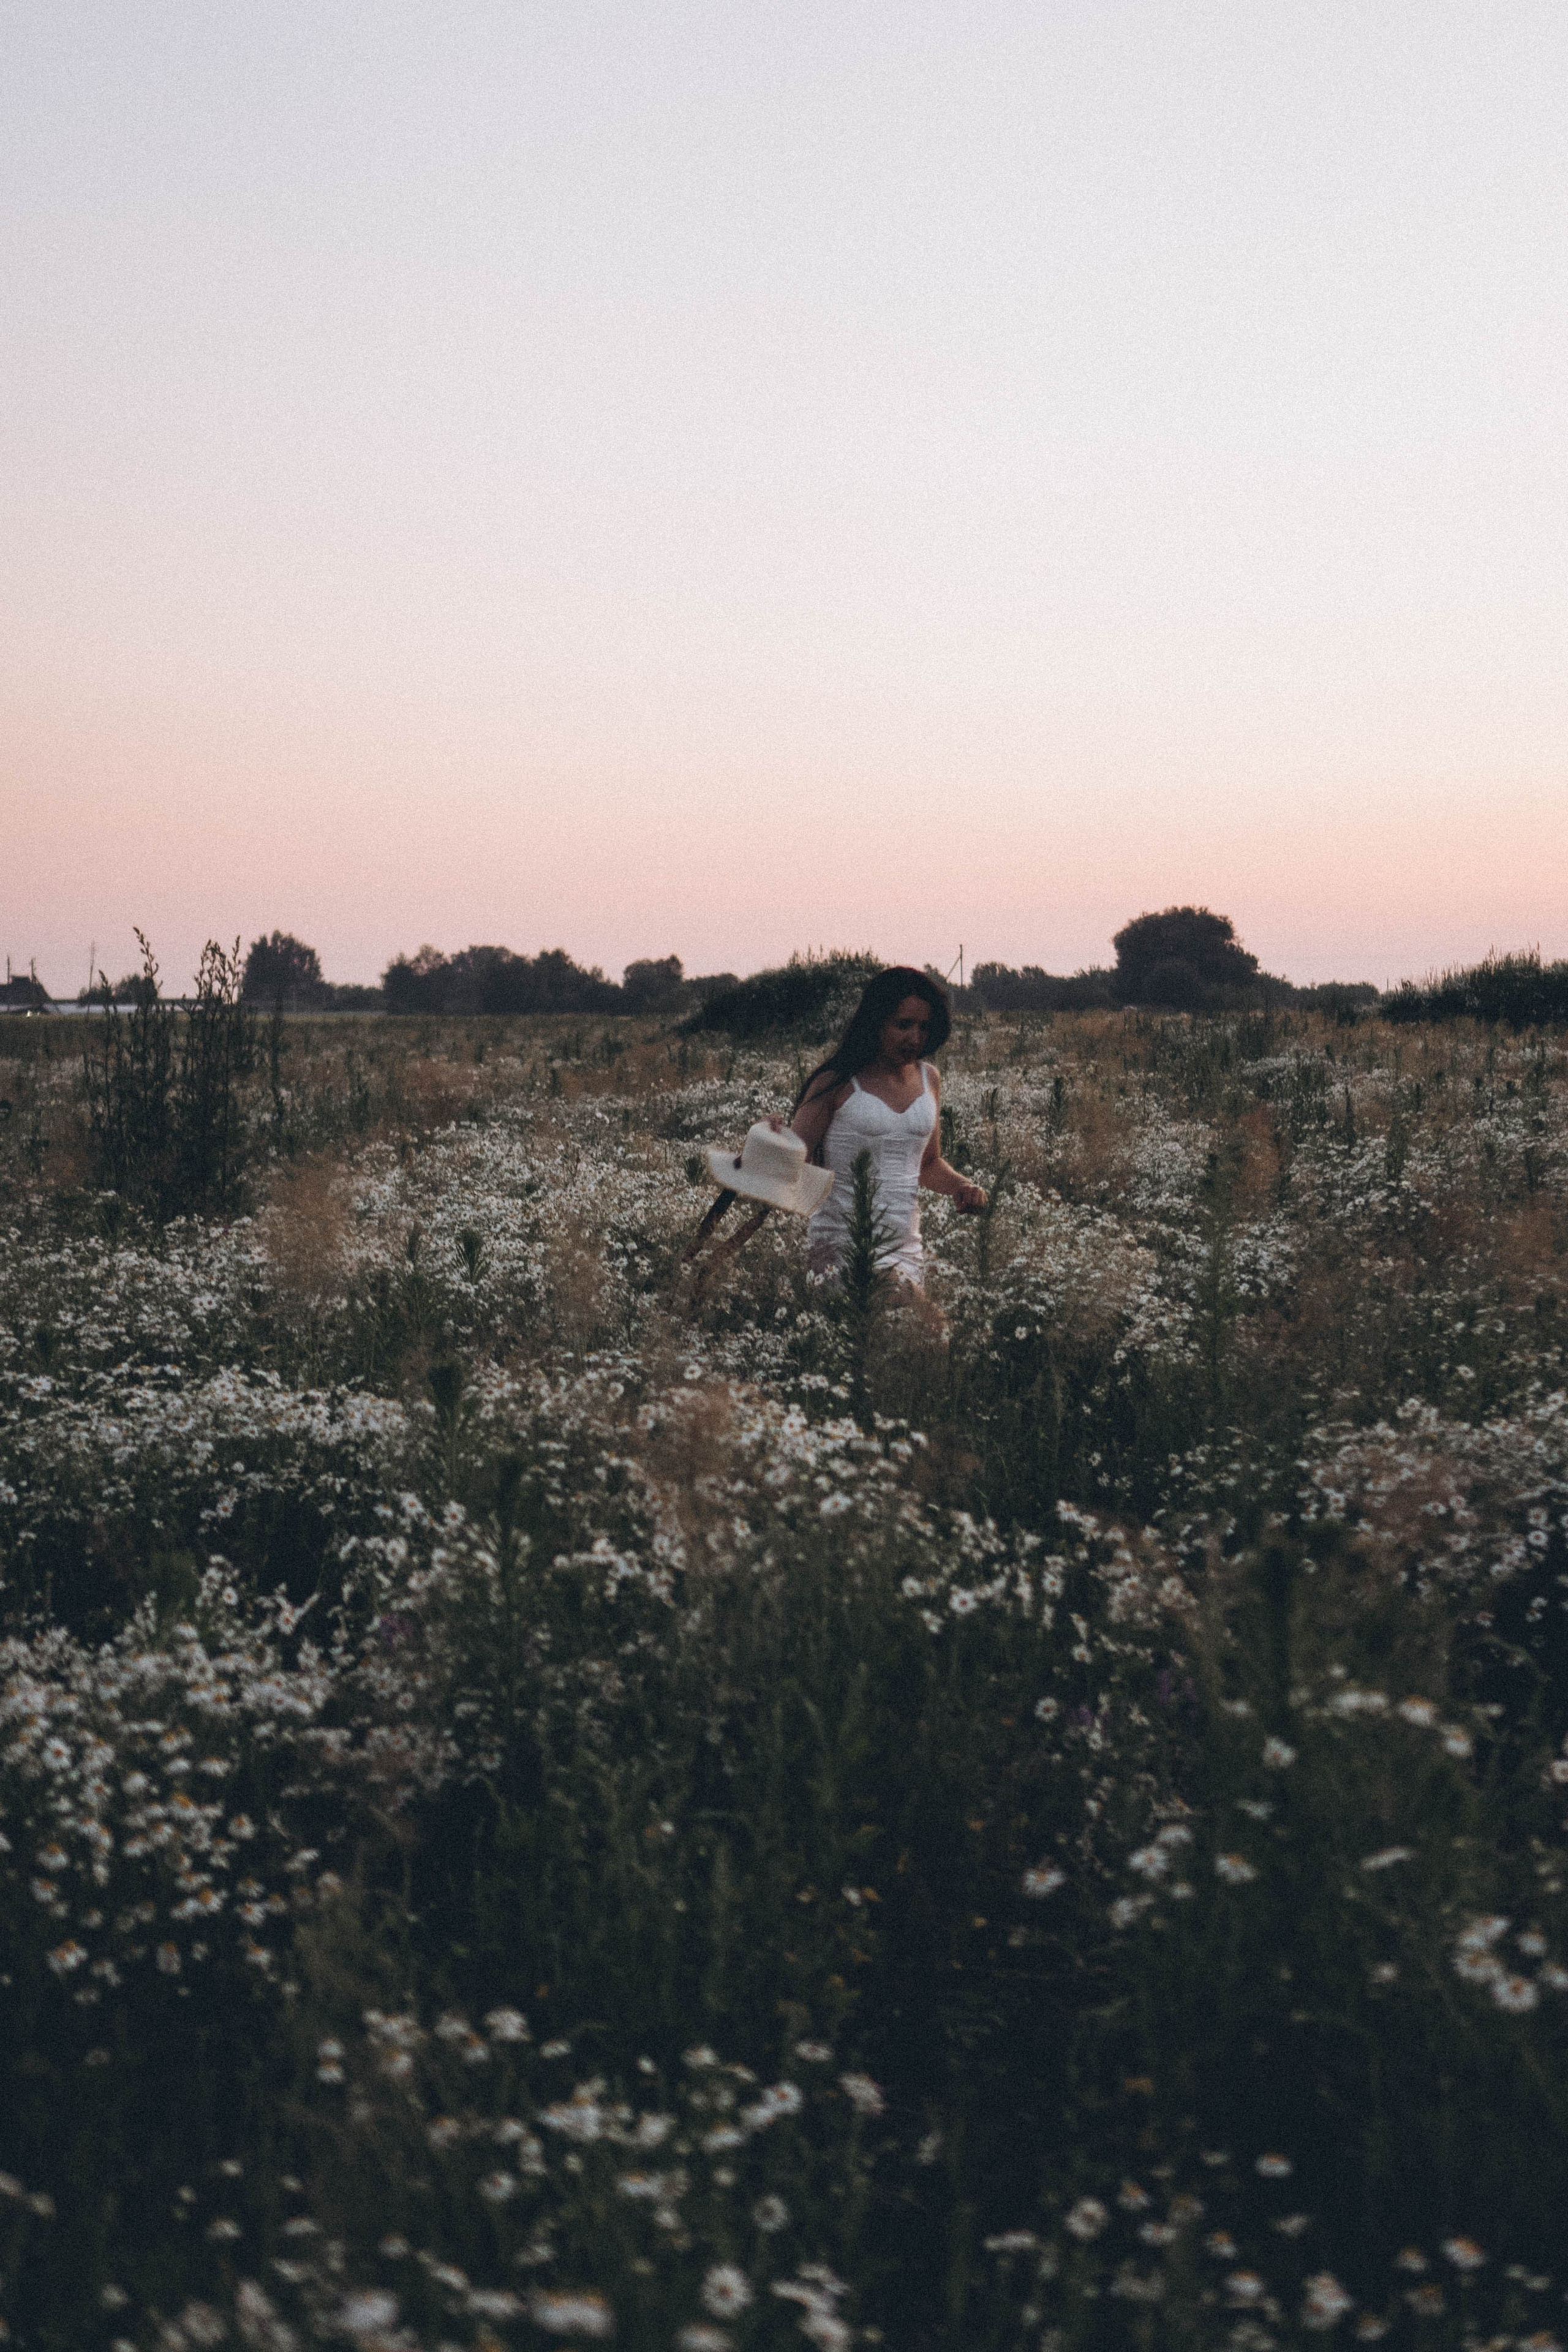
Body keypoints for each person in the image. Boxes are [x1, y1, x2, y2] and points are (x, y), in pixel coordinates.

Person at [789, 967, 986, 1286]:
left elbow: (927, 1163)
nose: (915, 1038)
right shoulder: (836, 1082)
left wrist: (962, 1187)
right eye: (903, 1024)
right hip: (843, 1243)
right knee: (922, 1323)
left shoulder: (929, 1079)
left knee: (917, 1335)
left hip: (907, 1246)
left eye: (924, 1027)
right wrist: (768, 1138)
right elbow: (793, 1158)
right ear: (876, 1021)